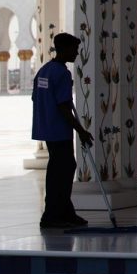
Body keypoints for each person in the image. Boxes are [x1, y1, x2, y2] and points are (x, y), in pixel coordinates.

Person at [32, 33, 94, 229]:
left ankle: (65, 212)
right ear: (64, 49)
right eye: (74, 49)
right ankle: (52, 215)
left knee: (58, 169)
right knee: (65, 169)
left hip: (47, 128)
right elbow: (63, 107)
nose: (76, 53)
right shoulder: (62, 74)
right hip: (59, 129)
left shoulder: (44, 71)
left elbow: (36, 98)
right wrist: (81, 131)